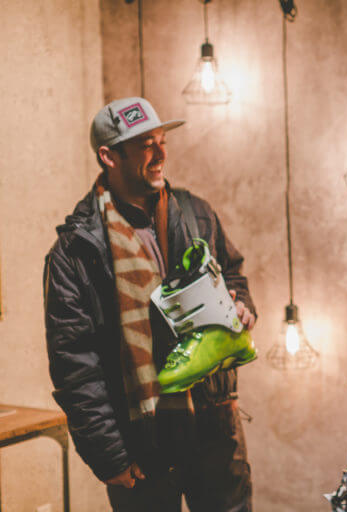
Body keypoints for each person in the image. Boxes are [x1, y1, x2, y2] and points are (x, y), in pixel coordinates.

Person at [44, 97, 256, 511]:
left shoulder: (196, 213)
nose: (161, 153)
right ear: (109, 156)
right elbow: (73, 362)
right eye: (145, 144)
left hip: (214, 423)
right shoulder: (76, 251)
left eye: (161, 140)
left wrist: (242, 305)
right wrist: (108, 455)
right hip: (140, 441)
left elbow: (233, 274)